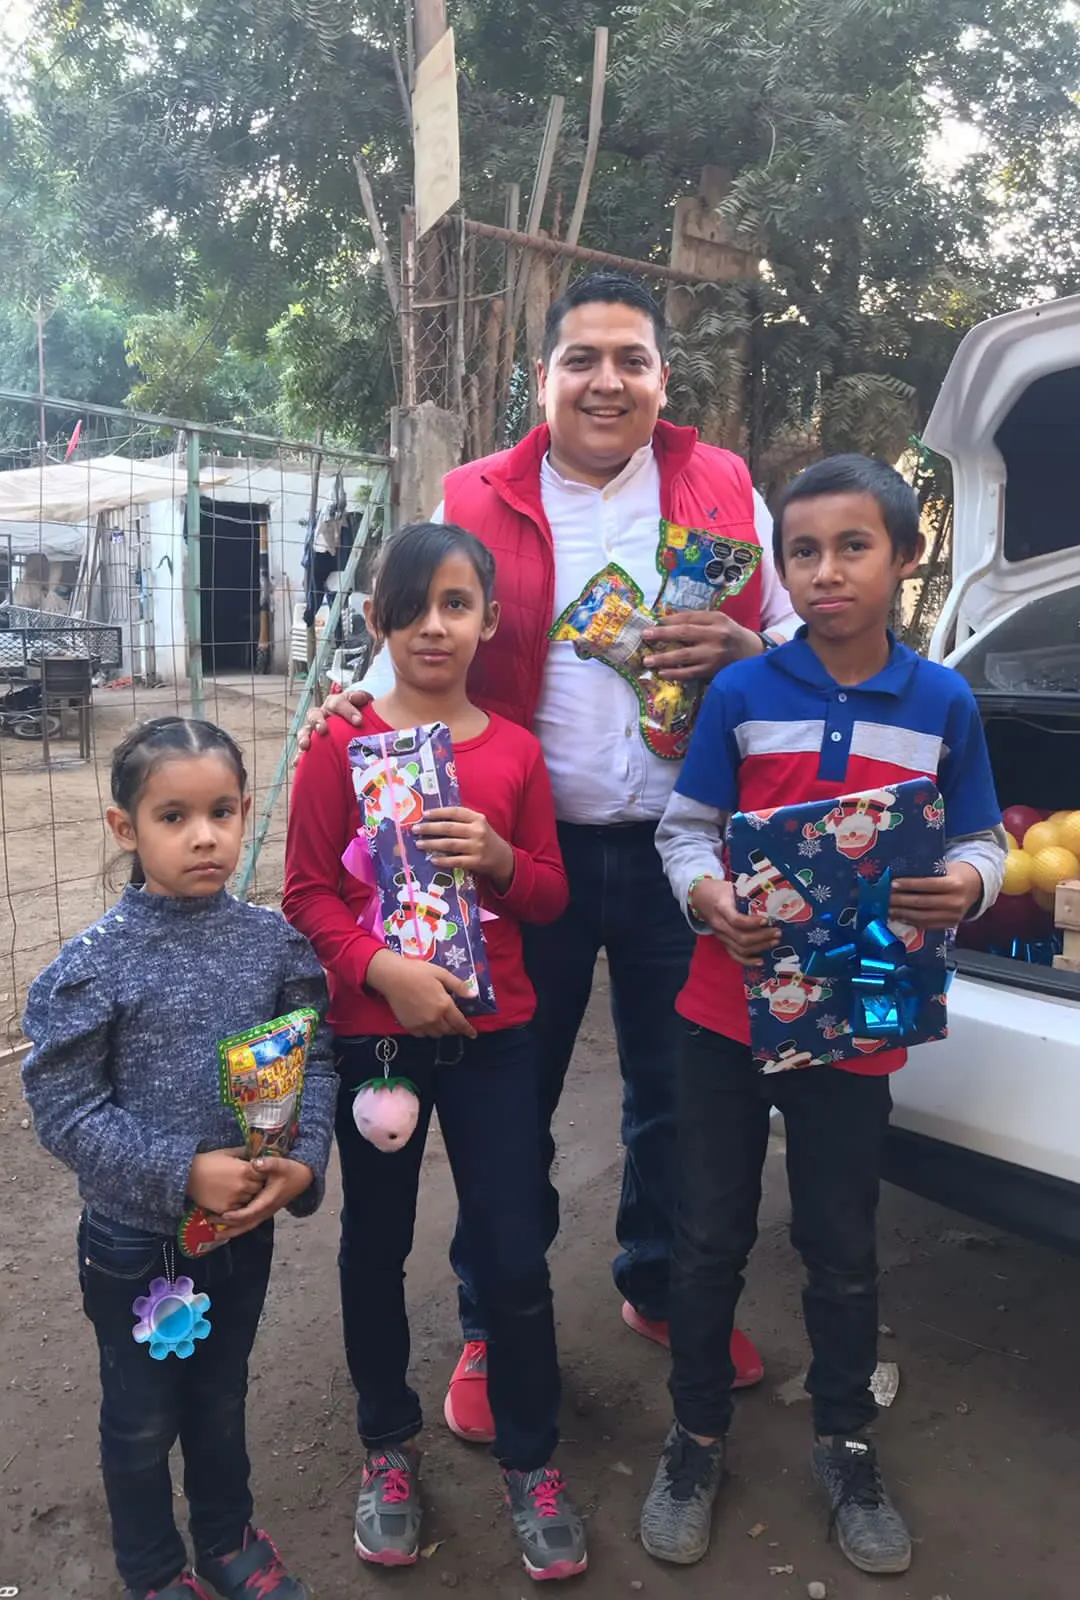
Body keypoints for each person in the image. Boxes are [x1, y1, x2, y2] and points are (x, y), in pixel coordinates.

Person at [303, 271, 797, 1439]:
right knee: (502, 1094)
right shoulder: (479, 491)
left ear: (663, 379)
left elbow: (785, 635)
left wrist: (744, 645)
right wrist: (353, 711)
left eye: (632, 359)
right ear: (544, 378)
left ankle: (659, 1283)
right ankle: (491, 1318)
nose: (607, 380)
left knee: (678, 1094)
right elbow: (427, 622)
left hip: (685, 846)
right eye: (583, 359)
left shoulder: (721, 484)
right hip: (515, 852)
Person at [642, 455, 1007, 1575]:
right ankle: (695, 1434)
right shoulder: (745, 696)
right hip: (722, 1012)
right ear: (781, 568)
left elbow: (982, 839)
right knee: (705, 1238)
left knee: (840, 1245)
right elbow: (684, 826)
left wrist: (970, 887)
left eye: (855, 546)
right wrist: (707, 898)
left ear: (904, 559)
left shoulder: (943, 701)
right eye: (804, 550)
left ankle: (845, 1440)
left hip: (857, 1021)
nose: (827, 570)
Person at [284, 522, 587, 1582]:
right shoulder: (342, 742)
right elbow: (307, 894)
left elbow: (551, 892)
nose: (432, 625)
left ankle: (532, 1458)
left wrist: (503, 858)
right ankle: (388, 1445)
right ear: (377, 622)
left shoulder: (513, 750)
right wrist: (382, 972)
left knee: (512, 1250)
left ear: (489, 620)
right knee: (375, 1246)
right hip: (379, 1047)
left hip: (498, 1038)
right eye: (410, 606)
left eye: (456, 604)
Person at [23, 716, 335, 1600]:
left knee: (222, 1397)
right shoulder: (95, 966)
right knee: (141, 1418)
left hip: (241, 1233)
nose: (204, 835)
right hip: (134, 1249)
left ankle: (228, 1541)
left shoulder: (270, 945)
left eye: (223, 811)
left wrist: (302, 1161)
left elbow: (313, 1059)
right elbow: (65, 1108)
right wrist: (181, 1169)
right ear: (126, 828)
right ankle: (156, 1572)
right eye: (174, 816)